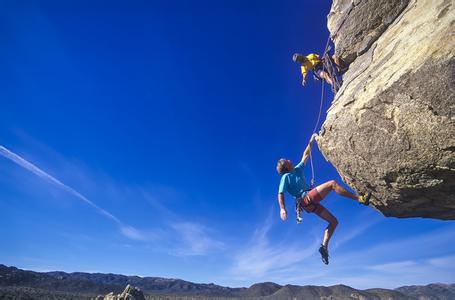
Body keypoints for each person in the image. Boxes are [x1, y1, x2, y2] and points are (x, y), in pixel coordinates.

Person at [276, 133, 371, 265]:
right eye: (287, 160)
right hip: (306, 199)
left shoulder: (297, 169)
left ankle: (324, 247)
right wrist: (282, 208)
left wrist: (311, 141)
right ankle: (360, 198)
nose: (289, 159)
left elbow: (305, 154)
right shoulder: (286, 177)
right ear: (286, 166)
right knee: (332, 184)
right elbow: (280, 193)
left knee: (334, 222)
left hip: (308, 204)